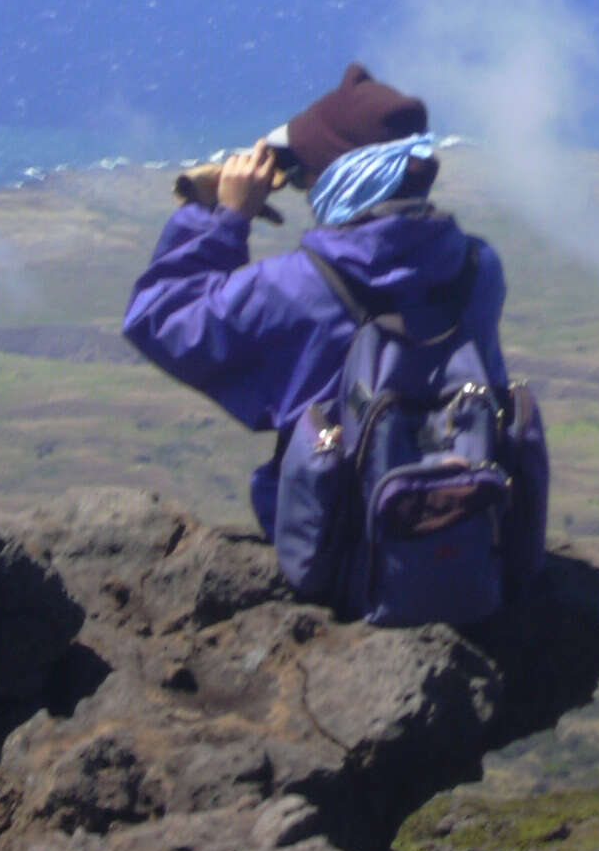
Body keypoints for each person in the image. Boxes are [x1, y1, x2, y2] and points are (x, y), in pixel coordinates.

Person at [123, 63, 508, 539]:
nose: (306, 192)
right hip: (467, 539)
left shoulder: (300, 286)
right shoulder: (479, 269)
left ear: (340, 179)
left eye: (307, 178)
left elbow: (159, 318)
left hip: (341, 554)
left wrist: (223, 218)